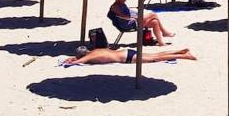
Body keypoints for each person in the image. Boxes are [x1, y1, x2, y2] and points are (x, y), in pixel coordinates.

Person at [108, 0, 175, 45]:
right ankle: (164, 32)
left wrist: (135, 14)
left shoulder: (121, 4)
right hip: (130, 24)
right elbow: (121, 16)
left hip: (133, 21)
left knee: (154, 22)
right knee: (153, 15)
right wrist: (133, 18)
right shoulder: (115, 6)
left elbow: (126, 13)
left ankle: (161, 43)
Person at [63, 47, 197, 66]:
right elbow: (81, 59)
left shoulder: (90, 58)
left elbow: (78, 62)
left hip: (126, 58)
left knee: (154, 59)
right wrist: (74, 58)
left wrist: (70, 61)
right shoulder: (95, 51)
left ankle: (186, 56)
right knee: (154, 55)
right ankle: (179, 51)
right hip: (125, 51)